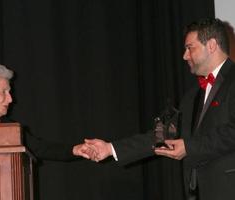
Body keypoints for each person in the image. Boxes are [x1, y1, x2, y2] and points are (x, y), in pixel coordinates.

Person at [74, 18, 235, 200]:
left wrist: (189, 147)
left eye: (190, 48)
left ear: (212, 45)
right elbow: (163, 134)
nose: (184, 56)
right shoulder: (192, 96)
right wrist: (110, 149)